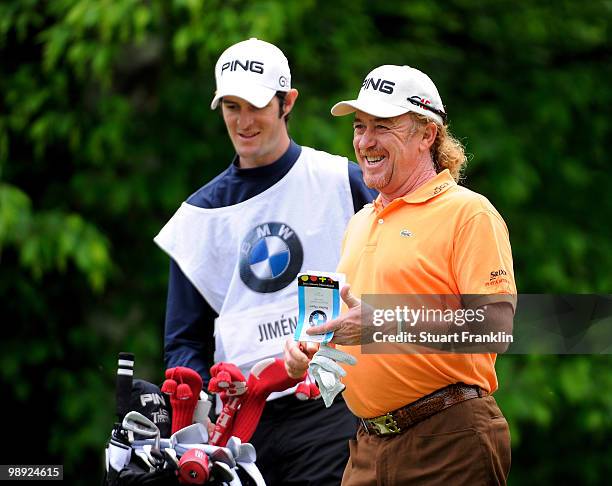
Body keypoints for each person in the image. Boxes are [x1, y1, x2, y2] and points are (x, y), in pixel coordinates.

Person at [154, 38, 376, 485]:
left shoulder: (344, 182)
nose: (243, 120)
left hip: (332, 405)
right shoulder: (199, 218)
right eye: (231, 106)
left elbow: (391, 284)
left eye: (255, 105)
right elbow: (183, 342)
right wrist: (196, 390)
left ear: (287, 102)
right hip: (239, 424)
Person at [285, 65, 516, 485]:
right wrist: (312, 349)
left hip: (449, 438)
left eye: (383, 126)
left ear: (428, 134)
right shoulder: (359, 222)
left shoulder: (469, 212)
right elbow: (359, 328)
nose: (365, 141)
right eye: (359, 126)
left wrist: (381, 324)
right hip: (367, 446)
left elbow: (496, 326)